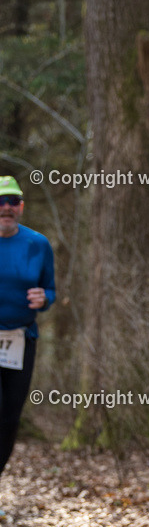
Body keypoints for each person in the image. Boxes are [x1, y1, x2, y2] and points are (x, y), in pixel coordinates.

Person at [0, 176, 55, 478]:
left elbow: (51, 290)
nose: (5, 207)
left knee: (9, 420)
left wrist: (43, 298)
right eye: (0, 202)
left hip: (22, 341)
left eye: (12, 202)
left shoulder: (38, 244)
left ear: (20, 207)